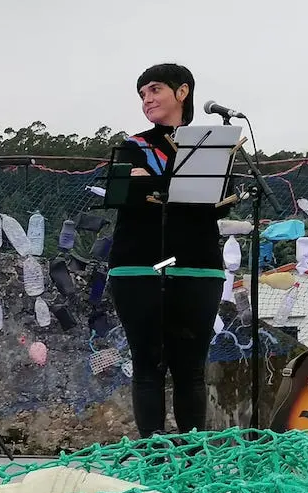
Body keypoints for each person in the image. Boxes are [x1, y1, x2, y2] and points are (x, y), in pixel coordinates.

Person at [107, 63, 227, 438]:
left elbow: (218, 203)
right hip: (138, 265)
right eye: (142, 94)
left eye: (155, 90)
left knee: (191, 368)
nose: (147, 100)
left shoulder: (213, 145)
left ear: (183, 92)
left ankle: (191, 464)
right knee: (147, 366)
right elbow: (121, 197)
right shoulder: (131, 146)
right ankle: (154, 463)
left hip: (197, 265)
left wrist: (156, 187)